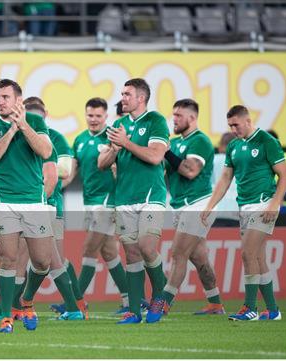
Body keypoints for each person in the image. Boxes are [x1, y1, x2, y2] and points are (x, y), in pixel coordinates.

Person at [0, 79, 53, 333]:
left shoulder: (36, 121)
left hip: (34, 201)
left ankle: (27, 300)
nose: (0, 101)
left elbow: (45, 151)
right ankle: (6, 315)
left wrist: (23, 126)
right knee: (7, 259)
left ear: (18, 101)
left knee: (43, 262)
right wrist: (11, 131)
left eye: (5, 97)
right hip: (3, 202)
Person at [201, 105, 286, 321]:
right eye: (230, 125)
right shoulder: (234, 146)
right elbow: (225, 179)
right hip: (244, 207)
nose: (233, 129)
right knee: (258, 257)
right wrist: (210, 205)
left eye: (236, 125)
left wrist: (274, 203)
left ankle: (250, 308)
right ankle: (273, 310)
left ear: (248, 121)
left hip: (263, 204)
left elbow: (284, 175)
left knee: (247, 253)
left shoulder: (267, 141)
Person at [146, 99, 224, 323]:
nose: (174, 119)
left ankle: (164, 303)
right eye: (173, 115)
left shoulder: (200, 141)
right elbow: (161, 172)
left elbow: (190, 171)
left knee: (178, 253)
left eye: (179, 116)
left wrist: (168, 153)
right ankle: (215, 302)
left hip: (199, 205)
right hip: (182, 206)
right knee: (199, 259)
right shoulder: (174, 142)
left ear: (192, 118)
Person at [98, 78, 169, 324]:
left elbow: (156, 156)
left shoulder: (155, 121)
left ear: (141, 98)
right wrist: (115, 149)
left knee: (147, 247)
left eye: (127, 94)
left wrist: (125, 142)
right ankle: (135, 311)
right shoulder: (118, 125)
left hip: (151, 196)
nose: (123, 98)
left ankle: (161, 294)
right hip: (124, 197)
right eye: (122, 94)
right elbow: (102, 164)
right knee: (132, 254)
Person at [64, 97, 130, 315]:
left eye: (98, 116)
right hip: (90, 202)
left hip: (108, 203)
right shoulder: (80, 140)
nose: (93, 120)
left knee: (88, 249)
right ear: (85, 115)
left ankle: (75, 302)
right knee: (109, 253)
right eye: (90, 115)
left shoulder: (113, 137)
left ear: (106, 117)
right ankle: (130, 300)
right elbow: (71, 173)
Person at [22, 97, 84, 321]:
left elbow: (66, 170)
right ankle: (75, 305)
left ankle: (17, 306)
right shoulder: (21, 137)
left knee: (52, 260)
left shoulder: (54, 138)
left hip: (48, 205)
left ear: (45, 116)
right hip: (29, 205)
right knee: (51, 259)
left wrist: (36, 172)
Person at [211, 132, 239, 227]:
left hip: (214, 213)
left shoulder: (211, 161)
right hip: (236, 214)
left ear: (220, 146)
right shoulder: (242, 162)